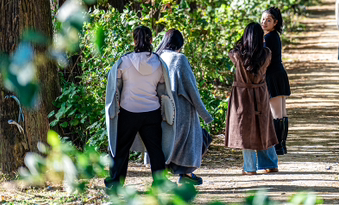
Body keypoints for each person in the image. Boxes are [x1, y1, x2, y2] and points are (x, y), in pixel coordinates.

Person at [104, 26, 176, 189]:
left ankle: (116, 182)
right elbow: (163, 85)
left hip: (128, 112)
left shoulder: (124, 61)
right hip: (152, 112)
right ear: (151, 40)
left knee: (121, 148)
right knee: (155, 149)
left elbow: (115, 83)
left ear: (134, 40)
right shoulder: (159, 62)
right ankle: (159, 183)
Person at [156, 29, 214, 185]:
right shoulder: (179, 59)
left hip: (160, 110)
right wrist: (206, 116)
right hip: (181, 110)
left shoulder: (158, 57)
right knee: (192, 140)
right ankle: (186, 174)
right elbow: (191, 90)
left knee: (166, 142)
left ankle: (163, 176)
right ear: (179, 44)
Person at [224, 22, 279, 174]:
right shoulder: (266, 53)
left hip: (242, 95)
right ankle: (270, 163)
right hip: (260, 92)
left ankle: (249, 167)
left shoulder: (237, 55)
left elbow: (232, 52)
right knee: (264, 127)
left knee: (245, 129)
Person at [261, 7, 290, 156]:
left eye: (268, 20)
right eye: (263, 19)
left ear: (275, 22)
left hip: (273, 76)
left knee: (277, 113)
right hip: (278, 74)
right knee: (281, 112)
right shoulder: (274, 36)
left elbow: (266, 59)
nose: (264, 22)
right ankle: (281, 145)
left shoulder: (269, 37)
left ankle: (278, 146)